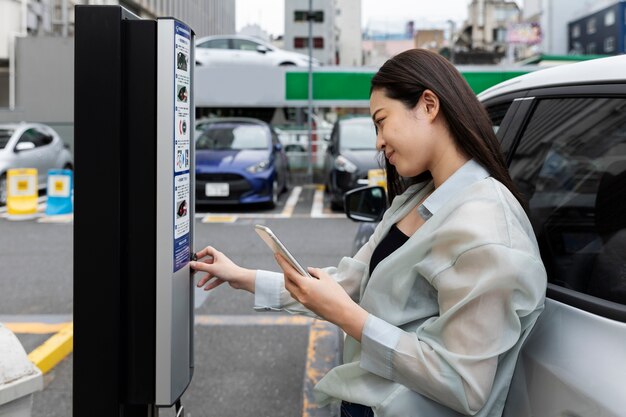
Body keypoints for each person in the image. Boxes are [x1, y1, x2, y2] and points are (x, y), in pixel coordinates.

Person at [190, 49, 547, 417]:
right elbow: (350, 282)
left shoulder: (487, 229)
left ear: (428, 105)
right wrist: (241, 276)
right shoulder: (419, 198)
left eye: (381, 121)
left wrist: (348, 317)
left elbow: (464, 384)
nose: (377, 141)